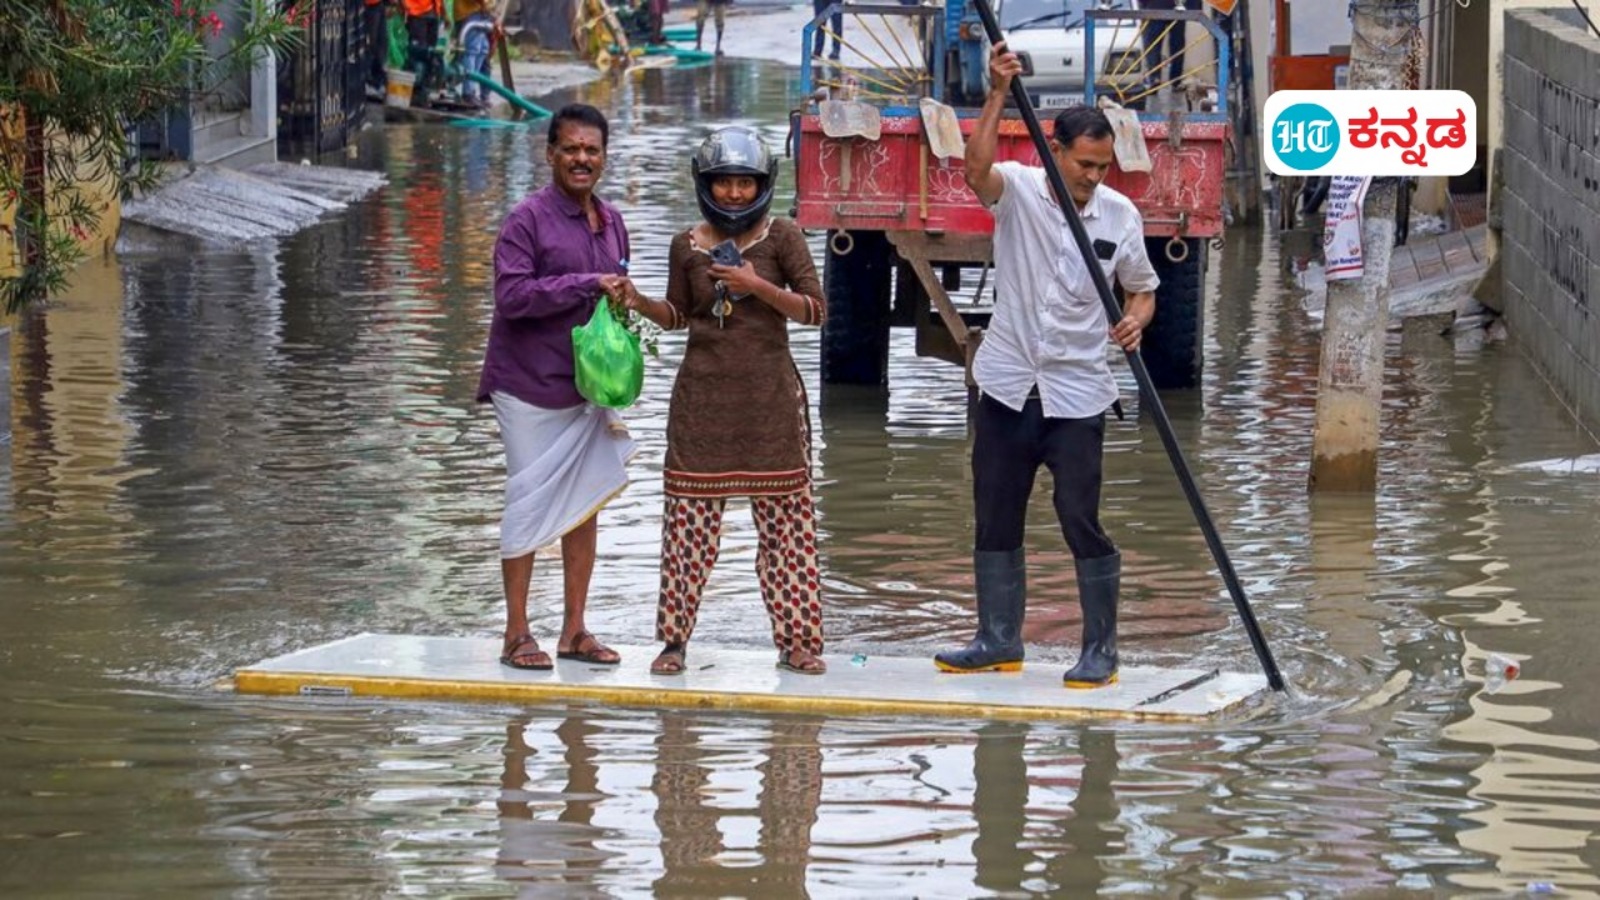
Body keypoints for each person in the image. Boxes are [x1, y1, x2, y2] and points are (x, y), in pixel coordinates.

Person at [933, 42, 1158, 688]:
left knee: (1079, 516)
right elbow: (974, 170)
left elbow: (1143, 289)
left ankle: (1101, 650)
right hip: (1008, 385)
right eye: (1083, 165)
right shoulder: (1022, 191)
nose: (1092, 177)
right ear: (1053, 152)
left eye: (1102, 167)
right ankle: (998, 640)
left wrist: (1134, 321)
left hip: (1079, 393)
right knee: (995, 511)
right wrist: (997, 92)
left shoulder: (1120, 215)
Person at [618, 126, 829, 677]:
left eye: (744, 183)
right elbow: (678, 315)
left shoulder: (783, 237)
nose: (734, 193)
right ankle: (673, 642)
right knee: (688, 529)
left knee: (787, 530)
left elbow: (815, 310)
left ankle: (799, 640)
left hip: (771, 408)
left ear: (762, 184)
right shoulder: (685, 244)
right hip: (702, 407)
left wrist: (754, 284)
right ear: (705, 184)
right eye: (724, 183)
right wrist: (638, 301)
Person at [479, 104, 636, 670]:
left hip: (585, 387)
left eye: (592, 150)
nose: (581, 159)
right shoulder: (526, 220)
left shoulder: (612, 220)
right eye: (570, 148)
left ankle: (574, 630)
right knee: (528, 499)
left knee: (584, 503)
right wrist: (586, 283)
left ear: (604, 158)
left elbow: (614, 299)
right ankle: (516, 632)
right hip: (525, 383)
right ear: (550, 155)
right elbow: (512, 298)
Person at [403, 0, 445, 103]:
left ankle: (425, 90)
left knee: (430, 55)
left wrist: (443, 11)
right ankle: (414, 89)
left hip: (434, 13)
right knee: (418, 53)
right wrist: (405, 5)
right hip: (417, 12)